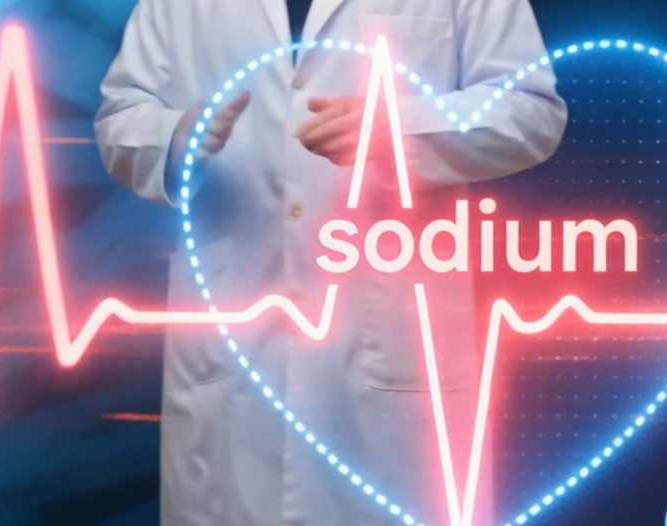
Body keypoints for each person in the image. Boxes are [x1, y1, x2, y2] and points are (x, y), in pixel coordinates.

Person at [94, 0, 567, 525]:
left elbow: (532, 111)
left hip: (391, 373)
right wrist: (176, 137)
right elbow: (121, 118)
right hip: (231, 368)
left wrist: (402, 126)